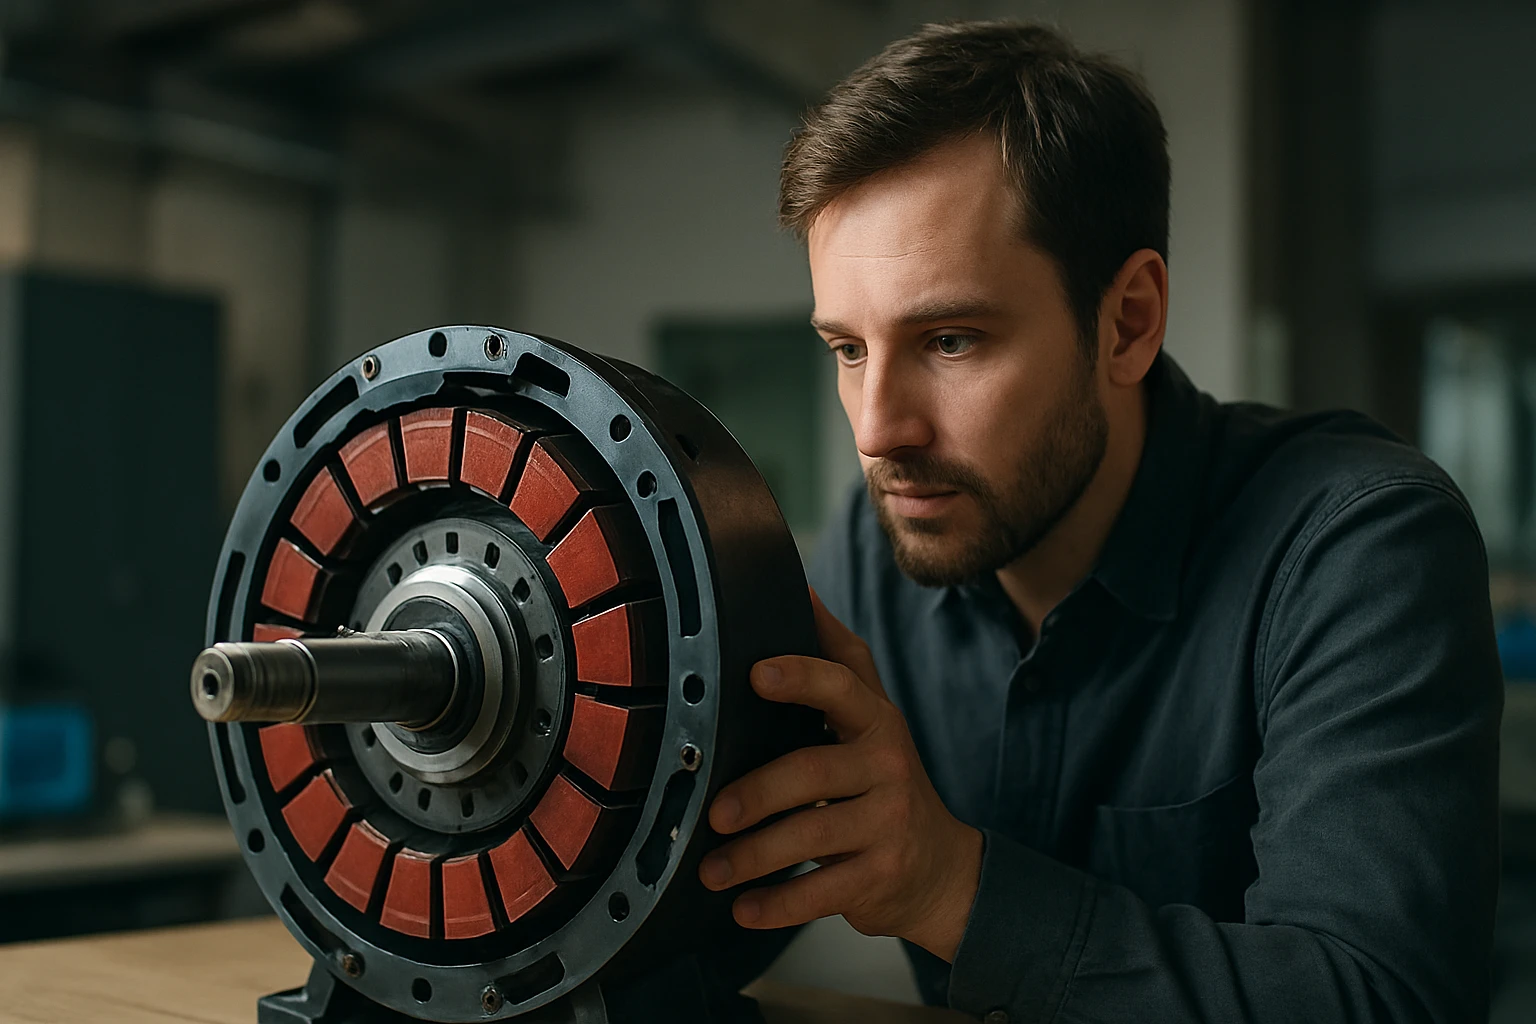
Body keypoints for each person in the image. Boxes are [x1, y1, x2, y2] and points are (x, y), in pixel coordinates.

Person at [694, 20, 1503, 1023]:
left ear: (1128, 321)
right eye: (848, 349)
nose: (877, 431)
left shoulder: (1357, 547)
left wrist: (952, 888)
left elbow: (1381, 1000)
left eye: (949, 339)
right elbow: (741, 909)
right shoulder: (879, 546)